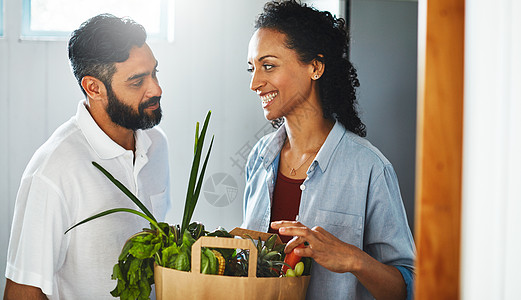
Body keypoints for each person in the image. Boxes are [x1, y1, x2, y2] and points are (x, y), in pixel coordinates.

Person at [242, 1, 415, 299]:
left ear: (315, 67)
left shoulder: (370, 168)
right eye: (252, 68)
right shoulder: (259, 158)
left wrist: (352, 259)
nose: (255, 82)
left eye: (268, 65)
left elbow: (407, 288)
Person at [4, 14, 170, 299]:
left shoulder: (156, 143)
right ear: (94, 88)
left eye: (154, 73)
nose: (156, 89)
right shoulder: (52, 171)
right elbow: (22, 292)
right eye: (137, 81)